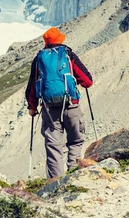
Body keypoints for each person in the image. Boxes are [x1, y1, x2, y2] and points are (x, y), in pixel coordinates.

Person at [25, 27, 93, 178]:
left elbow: (32, 86)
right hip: (71, 105)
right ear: (60, 40)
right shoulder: (68, 55)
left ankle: (56, 182)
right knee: (75, 141)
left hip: (49, 110)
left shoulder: (39, 59)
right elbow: (87, 80)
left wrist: (32, 107)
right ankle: (75, 175)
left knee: (54, 147)